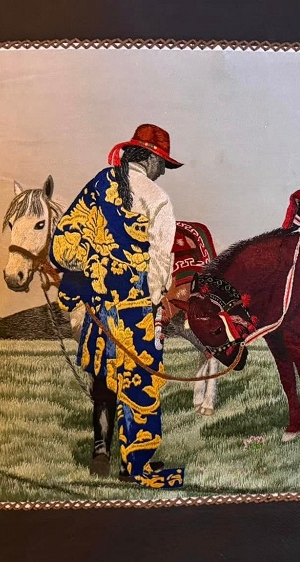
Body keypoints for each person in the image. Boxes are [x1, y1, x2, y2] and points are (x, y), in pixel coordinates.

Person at [50, 124, 183, 488]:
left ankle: (101, 453)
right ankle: (135, 466)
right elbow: (159, 266)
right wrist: (151, 304)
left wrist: (96, 266)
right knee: (140, 386)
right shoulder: (158, 199)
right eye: (163, 164)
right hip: (135, 313)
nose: (162, 172)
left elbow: (62, 247)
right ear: (151, 159)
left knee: (104, 381)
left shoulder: (98, 184)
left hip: (98, 309)